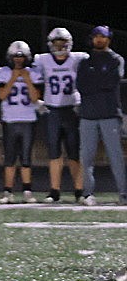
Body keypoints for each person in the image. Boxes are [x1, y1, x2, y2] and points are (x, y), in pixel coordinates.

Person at [33, 27, 88, 203]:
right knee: (54, 153)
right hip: (52, 110)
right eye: (56, 43)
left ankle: (79, 190)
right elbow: (32, 80)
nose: (59, 47)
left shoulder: (79, 59)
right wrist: (38, 101)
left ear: (69, 44)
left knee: (74, 153)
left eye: (62, 43)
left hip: (72, 109)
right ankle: (54, 190)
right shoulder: (43, 60)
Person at [75, 25, 127, 206]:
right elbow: (81, 86)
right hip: (88, 115)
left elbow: (111, 82)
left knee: (116, 156)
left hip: (109, 114)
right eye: (96, 36)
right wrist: (99, 80)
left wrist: (95, 80)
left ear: (109, 39)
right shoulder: (84, 61)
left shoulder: (116, 59)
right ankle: (88, 193)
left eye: (102, 37)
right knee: (87, 157)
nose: (99, 39)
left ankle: (123, 193)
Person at [0, 41, 42, 203]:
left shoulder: (33, 73)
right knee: (9, 157)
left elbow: (36, 98)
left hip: (28, 118)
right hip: (10, 119)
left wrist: (27, 80)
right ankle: (8, 191)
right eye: (16, 56)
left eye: (21, 56)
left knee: (26, 157)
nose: (18, 60)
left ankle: (27, 190)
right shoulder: (3, 72)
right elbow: (1, 95)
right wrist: (14, 78)